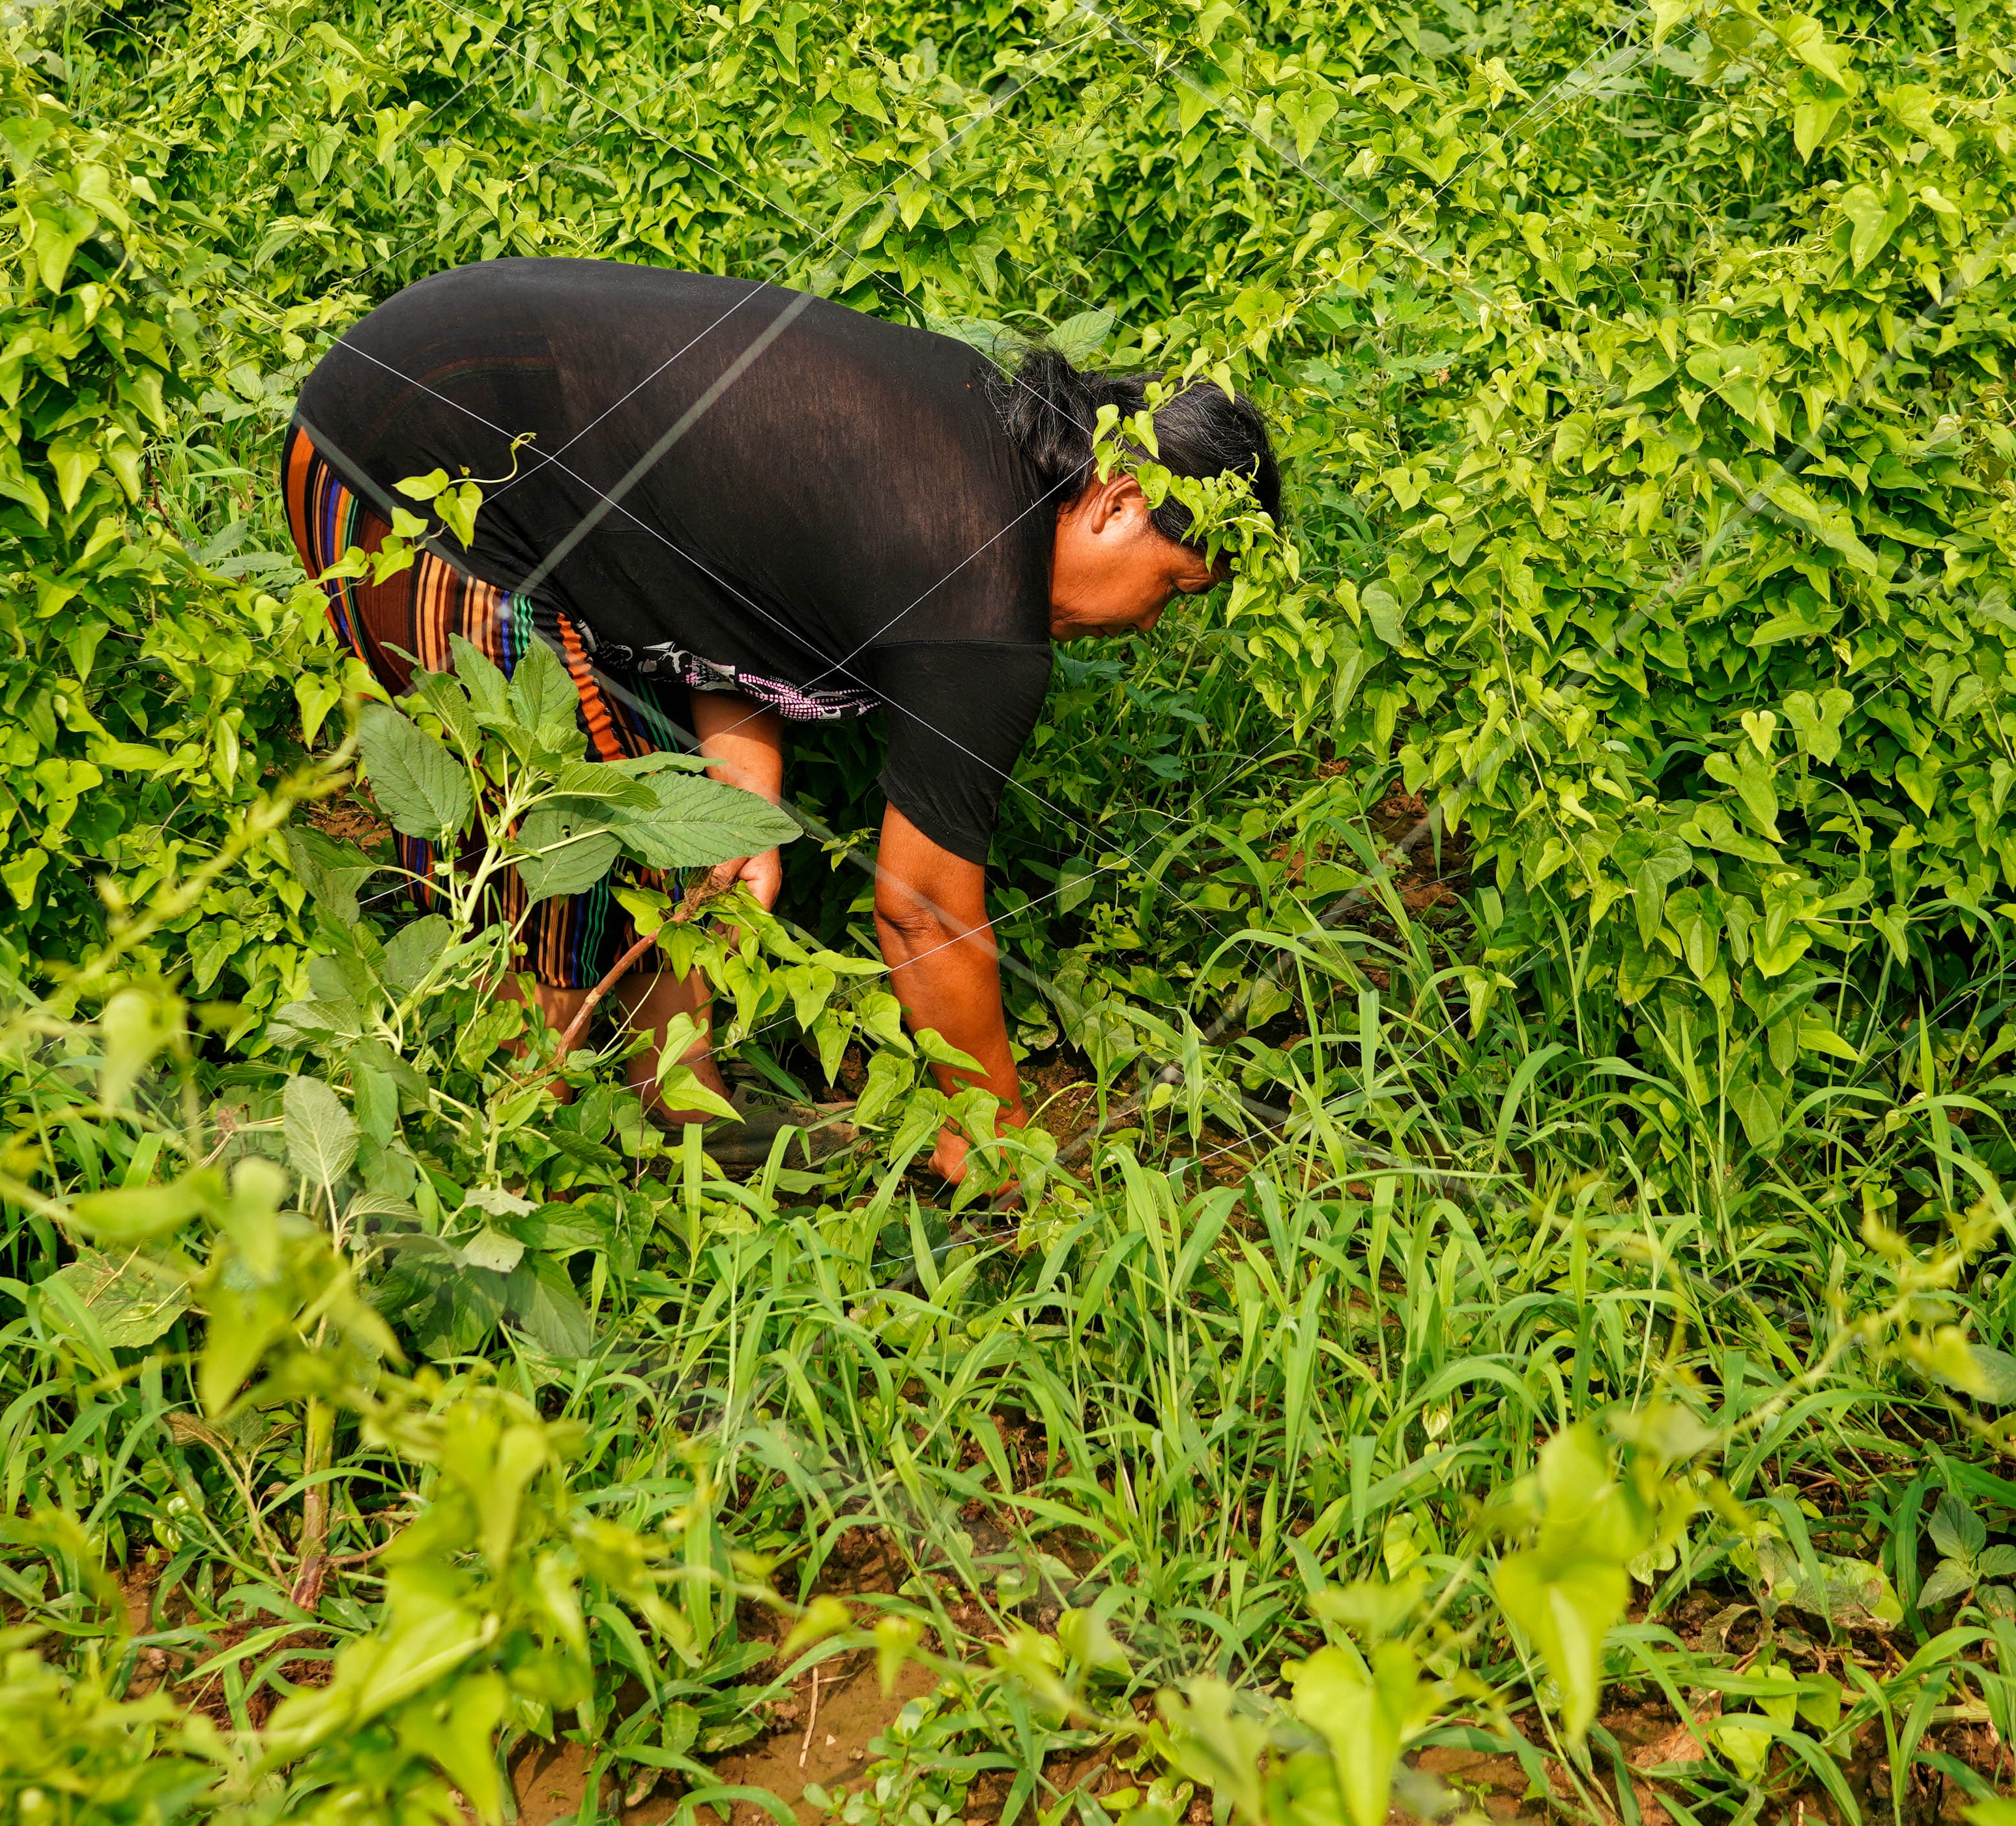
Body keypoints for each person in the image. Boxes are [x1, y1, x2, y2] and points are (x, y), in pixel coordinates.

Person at [280, 256, 1280, 1178]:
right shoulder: (984, 589)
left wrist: (740, 789)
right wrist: (994, 1129)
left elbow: (728, 562)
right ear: (1118, 504)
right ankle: (489, 1180)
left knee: (657, 826)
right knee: (547, 865)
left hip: (411, 401)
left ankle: (687, 1133)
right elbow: (922, 908)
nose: (1149, 624)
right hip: (423, 466)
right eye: (1172, 587)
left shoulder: (973, 444)